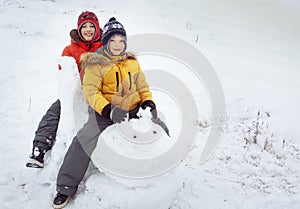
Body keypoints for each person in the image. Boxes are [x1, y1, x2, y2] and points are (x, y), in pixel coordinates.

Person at [52, 17, 157, 208]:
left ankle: (159, 173)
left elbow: (142, 85)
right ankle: (66, 186)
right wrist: (108, 110)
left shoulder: (132, 62)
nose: (117, 45)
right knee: (84, 138)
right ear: (106, 41)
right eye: (113, 40)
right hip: (105, 112)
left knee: (158, 127)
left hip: (133, 110)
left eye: (121, 41)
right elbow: (91, 92)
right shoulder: (95, 62)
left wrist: (148, 101)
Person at [26, 11, 102, 168]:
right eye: (84, 26)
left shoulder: (103, 47)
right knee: (54, 112)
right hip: (75, 93)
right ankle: (39, 150)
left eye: (91, 26)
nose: (88, 29)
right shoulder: (70, 50)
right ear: (79, 29)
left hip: (97, 92)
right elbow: (65, 74)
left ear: (97, 29)